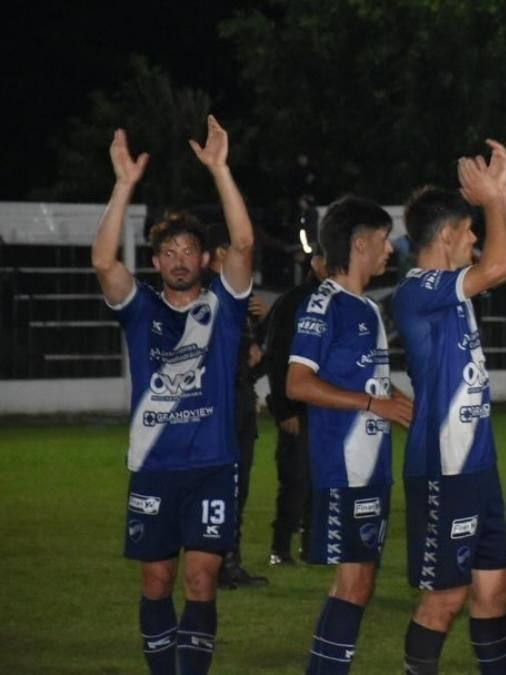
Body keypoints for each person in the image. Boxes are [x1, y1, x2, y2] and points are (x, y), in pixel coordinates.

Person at [92, 115, 254, 674]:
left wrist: (220, 170)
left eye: (190, 250)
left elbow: (245, 242)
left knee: (202, 578)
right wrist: (122, 186)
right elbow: (103, 262)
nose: (181, 259)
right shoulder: (142, 311)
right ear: (157, 261)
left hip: (213, 466)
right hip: (154, 466)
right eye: (169, 251)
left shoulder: (225, 308)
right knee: (157, 579)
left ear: (203, 260)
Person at [392, 140, 506, 674]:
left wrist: (500, 195)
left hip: (478, 467)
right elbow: (500, 263)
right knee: (444, 600)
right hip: (443, 470)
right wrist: (490, 198)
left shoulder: (453, 290)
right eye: (470, 230)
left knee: (494, 594)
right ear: (449, 235)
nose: (476, 240)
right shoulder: (417, 291)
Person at [287, 195, 412, 673]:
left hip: (371, 468)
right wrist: (371, 403)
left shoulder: (365, 308)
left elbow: (367, 379)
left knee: (360, 583)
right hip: (343, 468)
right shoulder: (327, 303)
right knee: (353, 584)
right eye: (382, 241)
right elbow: (297, 382)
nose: (388, 251)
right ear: (360, 244)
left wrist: (400, 402)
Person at [199, 224, 272, 589]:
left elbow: (252, 352)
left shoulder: (237, 295)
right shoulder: (207, 292)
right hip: (221, 402)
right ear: (218, 255)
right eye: (234, 252)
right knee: (224, 485)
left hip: (241, 397)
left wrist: (259, 328)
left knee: (238, 485)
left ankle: (229, 562)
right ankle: (217, 563)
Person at [261, 249, 327, 565]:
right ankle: (281, 548)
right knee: (296, 480)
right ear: (316, 264)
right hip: (299, 409)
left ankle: (314, 547)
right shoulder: (294, 302)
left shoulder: (340, 301)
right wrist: (285, 409)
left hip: (328, 408)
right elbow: (276, 355)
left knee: (322, 480)